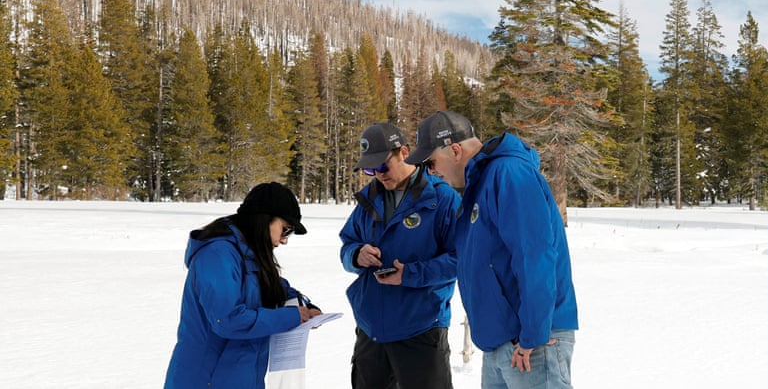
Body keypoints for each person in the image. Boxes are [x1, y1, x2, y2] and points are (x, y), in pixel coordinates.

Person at [406, 111, 578, 389]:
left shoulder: (509, 173)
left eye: (431, 162)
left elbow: (534, 254)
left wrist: (533, 334)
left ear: (455, 149)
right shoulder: (479, 184)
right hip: (503, 341)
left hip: (533, 341)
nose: (431, 172)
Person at [164, 181, 321, 389]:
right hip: (205, 380)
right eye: (285, 230)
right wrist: (291, 316)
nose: (284, 241)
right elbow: (227, 319)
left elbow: (275, 288)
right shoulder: (218, 254)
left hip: (243, 378)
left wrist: (307, 308)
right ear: (264, 219)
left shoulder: (250, 255)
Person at [340, 122, 461, 388]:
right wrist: (356, 254)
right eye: (370, 169)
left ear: (404, 152)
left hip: (421, 328)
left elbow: (461, 260)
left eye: (383, 166)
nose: (378, 175)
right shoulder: (368, 199)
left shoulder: (441, 199)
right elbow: (347, 244)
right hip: (371, 331)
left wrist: (410, 274)